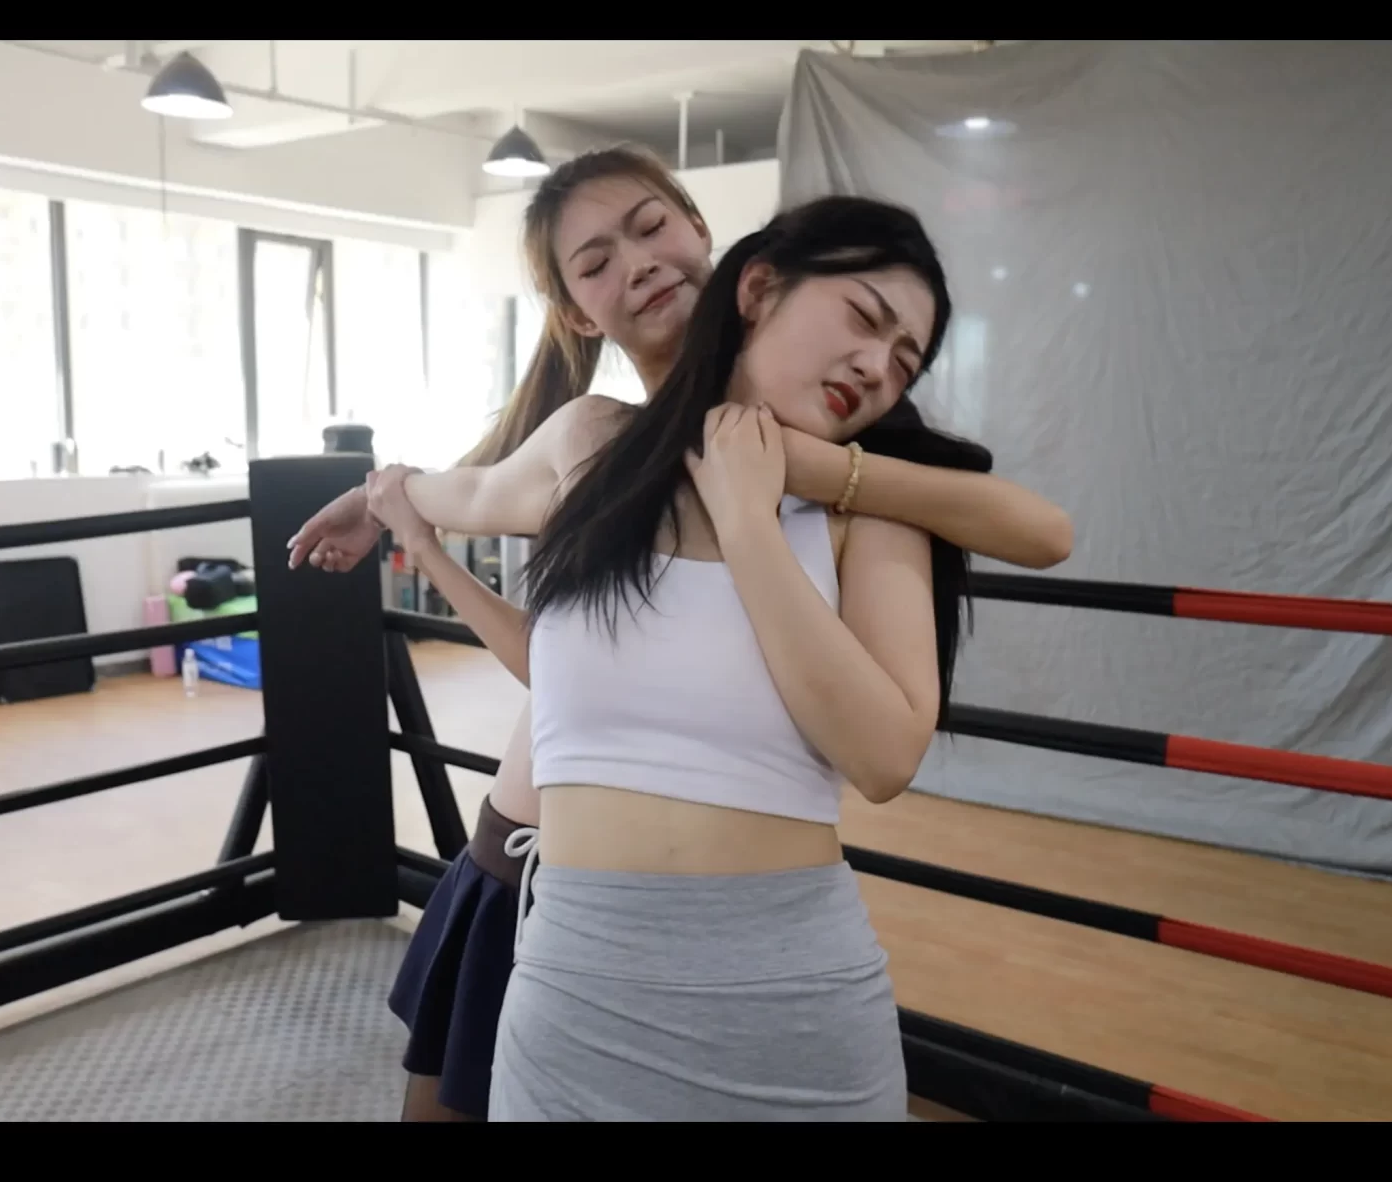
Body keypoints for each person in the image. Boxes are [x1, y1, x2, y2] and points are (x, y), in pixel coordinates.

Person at [286, 149, 1073, 1121]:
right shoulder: (592, 443)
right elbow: (460, 493)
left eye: (904, 357)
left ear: (703, 233)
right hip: (570, 979)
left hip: (786, 1000)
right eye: (864, 319)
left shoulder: (866, 503)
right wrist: (380, 503)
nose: (878, 364)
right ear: (760, 288)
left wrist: (762, 507)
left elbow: (887, 753)